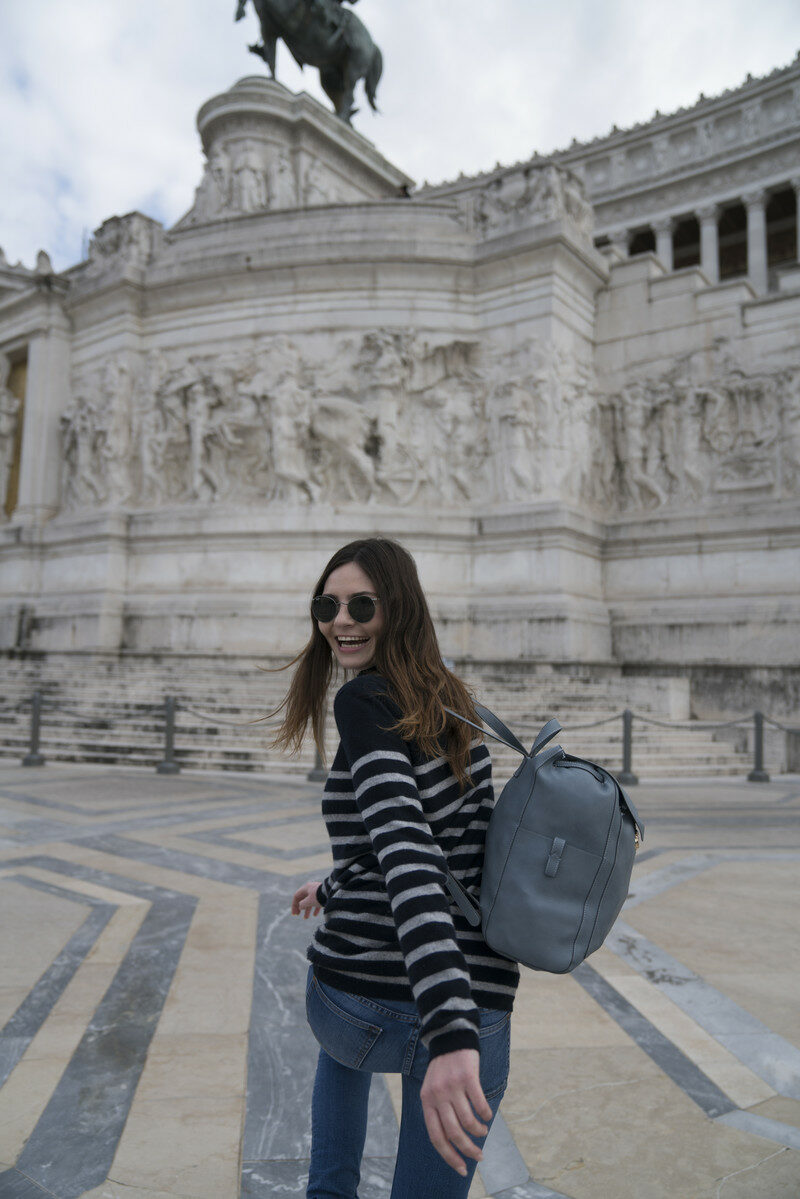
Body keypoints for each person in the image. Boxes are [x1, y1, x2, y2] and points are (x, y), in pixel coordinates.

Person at [274, 537, 519, 1199]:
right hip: (484, 1005)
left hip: (390, 1009)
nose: (339, 619)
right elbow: (448, 844)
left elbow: (409, 849)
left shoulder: (365, 702)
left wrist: (446, 1027)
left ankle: (329, 1190)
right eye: (327, 603)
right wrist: (332, 882)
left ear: (399, 608)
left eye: (362, 604)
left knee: (336, 983)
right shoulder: (453, 699)